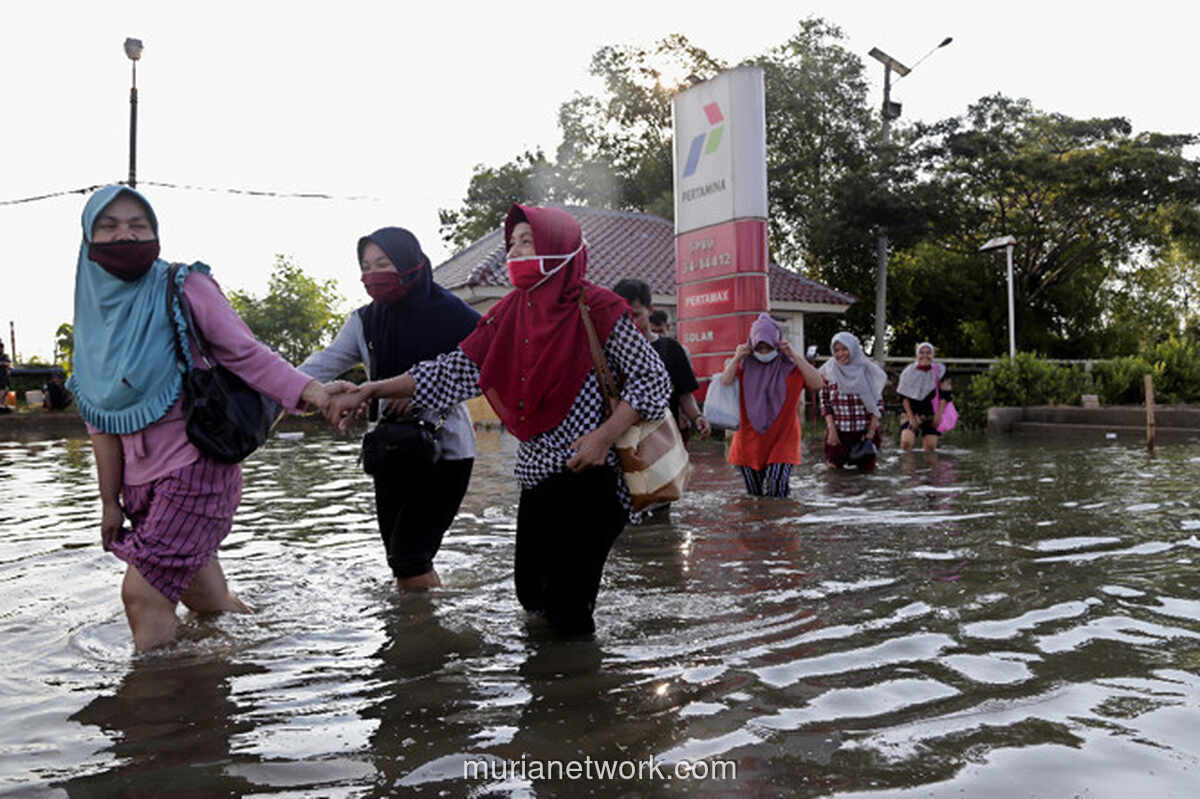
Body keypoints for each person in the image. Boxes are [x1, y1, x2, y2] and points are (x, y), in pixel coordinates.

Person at [327, 204, 671, 636]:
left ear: (559, 246)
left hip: (593, 476)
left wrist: (603, 437)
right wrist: (372, 389)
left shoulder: (600, 309)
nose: (515, 251)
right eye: (512, 244)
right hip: (536, 475)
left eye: (527, 241)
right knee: (531, 594)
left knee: (568, 609)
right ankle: (553, 690)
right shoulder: (511, 313)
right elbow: (454, 369)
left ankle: (576, 691)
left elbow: (652, 382)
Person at [68, 185, 334, 652]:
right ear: (89, 239)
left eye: (139, 225)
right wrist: (110, 503)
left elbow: (246, 354)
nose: (125, 235)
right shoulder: (93, 320)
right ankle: (271, 652)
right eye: (109, 227)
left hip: (196, 468)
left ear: (156, 232)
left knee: (141, 593)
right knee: (206, 599)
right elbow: (100, 423)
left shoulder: (185, 286)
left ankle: (157, 711)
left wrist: (312, 391)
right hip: (139, 484)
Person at [298, 227, 480, 590]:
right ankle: (418, 627)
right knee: (400, 559)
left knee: (409, 557)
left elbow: (488, 370)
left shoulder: (455, 316)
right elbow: (323, 364)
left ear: (411, 264)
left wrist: (425, 392)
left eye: (383, 263)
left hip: (446, 452)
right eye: (365, 265)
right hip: (390, 452)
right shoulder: (365, 321)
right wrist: (279, 385)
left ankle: (424, 638)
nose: (373, 274)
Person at [720, 313, 823, 497]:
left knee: (777, 487)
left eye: (769, 347)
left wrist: (793, 355)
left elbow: (817, 384)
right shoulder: (743, 367)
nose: (764, 353)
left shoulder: (791, 368)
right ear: (752, 345)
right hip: (748, 442)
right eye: (760, 347)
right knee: (755, 497)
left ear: (777, 344)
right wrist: (736, 358)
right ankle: (762, 525)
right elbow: (725, 382)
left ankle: (781, 524)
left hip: (783, 440)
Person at [611, 278, 710, 443]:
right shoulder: (612, 352)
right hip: (623, 441)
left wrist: (697, 417)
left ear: (649, 310)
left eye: (636, 315)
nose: (630, 323)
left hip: (663, 441)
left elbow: (684, 395)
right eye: (623, 317)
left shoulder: (671, 349)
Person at [819, 332, 887, 471]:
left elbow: (878, 404)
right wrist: (831, 429)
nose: (841, 354)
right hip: (838, 434)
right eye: (836, 350)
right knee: (835, 479)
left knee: (865, 481)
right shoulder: (829, 371)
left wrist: (871, 433)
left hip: (864, 434)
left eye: (845, 349)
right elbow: (825, 402)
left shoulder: (867, 370)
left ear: (853, 349)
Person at [897, 341, 952, 452]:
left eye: (928, 353)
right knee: (906, 443)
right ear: (917, 354)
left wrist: (939, 415)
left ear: (933, 355)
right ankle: (907, 468)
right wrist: (911, 418)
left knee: (930, 448)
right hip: (911, 412)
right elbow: (903, 397)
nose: (925, 356)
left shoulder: (941, 370)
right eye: (922, 353)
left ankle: (928, 468)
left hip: (932, 413)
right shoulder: (908, 372)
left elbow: (945, 395)